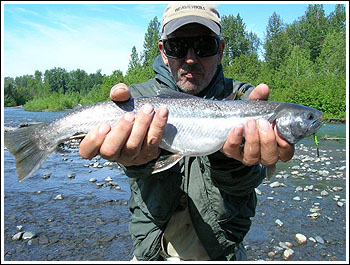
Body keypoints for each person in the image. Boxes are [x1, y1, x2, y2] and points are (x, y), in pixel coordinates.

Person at [79, 4, 295, 261]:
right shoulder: (136, 99)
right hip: (151, 252)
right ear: (163, 51)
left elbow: (246, 183)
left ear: (221, 50)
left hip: (222, 252)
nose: (190, 58)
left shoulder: (245, 102)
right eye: (177, 46)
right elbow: (128, 161)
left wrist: (233, 161)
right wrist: (137, 162)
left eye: (205, 45)